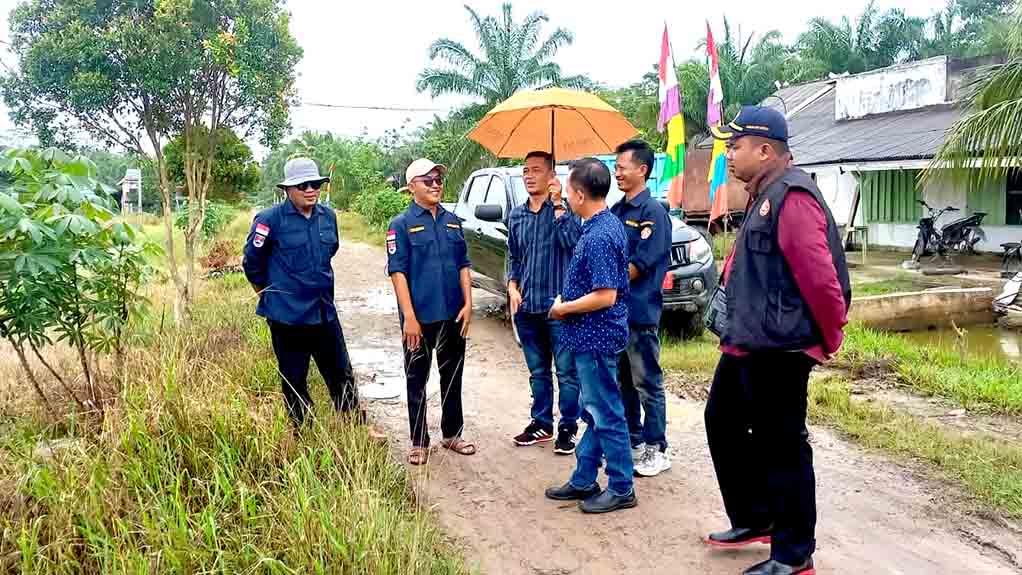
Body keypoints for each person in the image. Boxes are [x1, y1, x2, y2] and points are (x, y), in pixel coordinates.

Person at [703, 106, 850, 575]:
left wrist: (829, 338)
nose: (728, 153)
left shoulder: (793, 196)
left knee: (782, 444)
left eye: (736, 145)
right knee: (721, 420)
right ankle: (755, 517)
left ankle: (793, 553)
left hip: (781, 349)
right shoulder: (761, 194)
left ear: (765, 150)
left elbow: (821, 280)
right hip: (747, 340)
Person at [242, 157, 376, 432]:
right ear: (288, 189)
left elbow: (330, 252)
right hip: (287, 318)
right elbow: (251, 263)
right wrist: (269, 297)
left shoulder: (328, 217)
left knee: (341, 372)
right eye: (303, 185)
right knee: (294, 378)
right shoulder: (269, 221)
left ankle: (355, 427)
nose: (310, 190)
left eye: (315, 184)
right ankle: (303, 432)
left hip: (323, 311)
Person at [544, 158, 635, 514]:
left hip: (596, 337)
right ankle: (584, 478)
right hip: (590, 337)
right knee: (594, 410)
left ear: (580, 194)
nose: (566, 196)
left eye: (568, 190)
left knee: (606, 411)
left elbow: (605, 294)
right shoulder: (602, 225)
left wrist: (563, 308)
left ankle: (621, 486)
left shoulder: (599, 235)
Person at [387, 158, 476, 465]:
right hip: (419, 318)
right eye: (429, 180)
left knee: (453, 375)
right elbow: (397, 272)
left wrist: (469, 304)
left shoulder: (453, 221)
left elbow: (464, 265)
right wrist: (409, 317)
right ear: (412, 187)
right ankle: (418, 440)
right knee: (416, 378)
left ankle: (452, 434)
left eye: (439, 179)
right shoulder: (400, 225)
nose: (436, 184)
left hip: (452, 313)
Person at [508, 151, 583, 454]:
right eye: (525, 170)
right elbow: (513, 256)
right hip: (526, 307)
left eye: (536, 170)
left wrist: (558, 205)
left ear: (552, 176)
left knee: (566, 372)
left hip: (559, 307)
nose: (528, 176)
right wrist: (511, 286)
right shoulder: (516, 215)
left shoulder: (566, 212)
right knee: (537, 372)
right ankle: (541, 423)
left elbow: (574, 245)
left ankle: (567, 426)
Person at [610, 139, 673, 478]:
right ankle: (633, 440)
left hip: (640, 311)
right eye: (616, 167)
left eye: (622, 167)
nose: (616, 173)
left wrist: (606, 283)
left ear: (642, 170)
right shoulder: (618, 211)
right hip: (616, 313)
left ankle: (657, 447)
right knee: (624, 382)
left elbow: (642, 262)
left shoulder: (653, 212)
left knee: (647, 380)